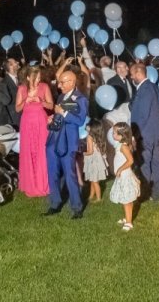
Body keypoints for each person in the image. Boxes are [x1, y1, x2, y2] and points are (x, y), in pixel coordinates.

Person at [44, 69, 89, 219]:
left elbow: (80, 120)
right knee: (52, 173)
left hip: (68, 142)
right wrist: (53, 119)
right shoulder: (62, 96)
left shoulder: (81, 99)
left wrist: (63, 113)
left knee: (70, 175)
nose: (59, 85)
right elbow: (59, 118)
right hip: (53, 140)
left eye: (62, 82)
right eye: (59, 82)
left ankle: (77, 207)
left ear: (72, 82)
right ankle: (55, 203)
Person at [129, 62, 159, 202]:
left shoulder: (145, 89)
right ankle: (157, 195)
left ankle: (144, 194)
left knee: (145, 163)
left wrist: (134, 134)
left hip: (146, 133)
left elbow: (142, 114)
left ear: (138, 73)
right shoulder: (152, 86)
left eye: (132, 74)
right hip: (154, 132)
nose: (131, 77)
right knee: (156, 163)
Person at [16, 65, 53, 197]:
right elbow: (17, 109)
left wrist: (41, 101)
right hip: (27, 123)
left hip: (41, 121)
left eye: (39, 77)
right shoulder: (22, 89)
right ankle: (30, 185)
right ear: (27, 78)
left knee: (42, 151)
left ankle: (43, 184)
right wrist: (26, 100)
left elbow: (51, 105)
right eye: (35, 78)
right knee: (29, 151)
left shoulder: (44, 87)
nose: (38, 80)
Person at [110, 122, 141, 231]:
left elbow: (130, 161)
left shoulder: (124, 147)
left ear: (122, 135)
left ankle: (129, 222)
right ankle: (126, 218)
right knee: (124, 199)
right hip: (122, 177)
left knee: (127, 201)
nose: (112, 135)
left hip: (125, 176)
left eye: (114, 133)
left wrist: (120, 169)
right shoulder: (120, 145)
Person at [83, 119, 108, 202]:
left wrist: (83, 153)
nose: (86, 125)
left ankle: (98, 198)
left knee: (94, 181)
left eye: (88, 125)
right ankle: (91, 195)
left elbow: (90, 151)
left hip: (93, 161)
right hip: (97, 160)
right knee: (93, 180)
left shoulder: (89, 137)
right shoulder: (97, 136)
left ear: (92, 128)